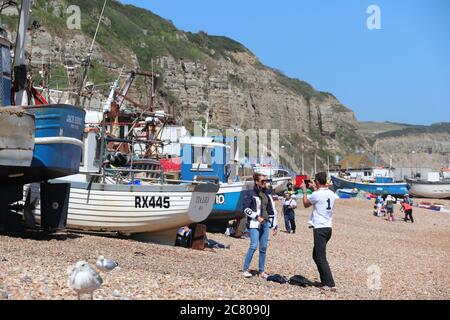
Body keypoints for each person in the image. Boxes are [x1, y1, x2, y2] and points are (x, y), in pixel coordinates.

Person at [300, 172, 336, 292]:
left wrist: (305, 191)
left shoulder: (316, 194)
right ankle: (324, 281)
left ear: (317, 182)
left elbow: (306, 204)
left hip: (320, 228)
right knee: (316, 255)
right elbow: (321, 196)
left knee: (320, 257)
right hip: (328, 227)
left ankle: (330, 284)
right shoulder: (331, 193)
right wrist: (315, 189)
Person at [242, 173, 278, 279]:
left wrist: (275, 225)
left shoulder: (267, 194)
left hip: (266, 223)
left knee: (263, 247)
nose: (264, 183)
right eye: (262, 181)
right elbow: (245, 209)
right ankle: (245, 269)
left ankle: (261, 271)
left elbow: (271, 210)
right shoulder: (250, 193)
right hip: (254, 223)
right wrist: (257, 217)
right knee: (253, 246)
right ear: (257, 182)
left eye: (265, 181)